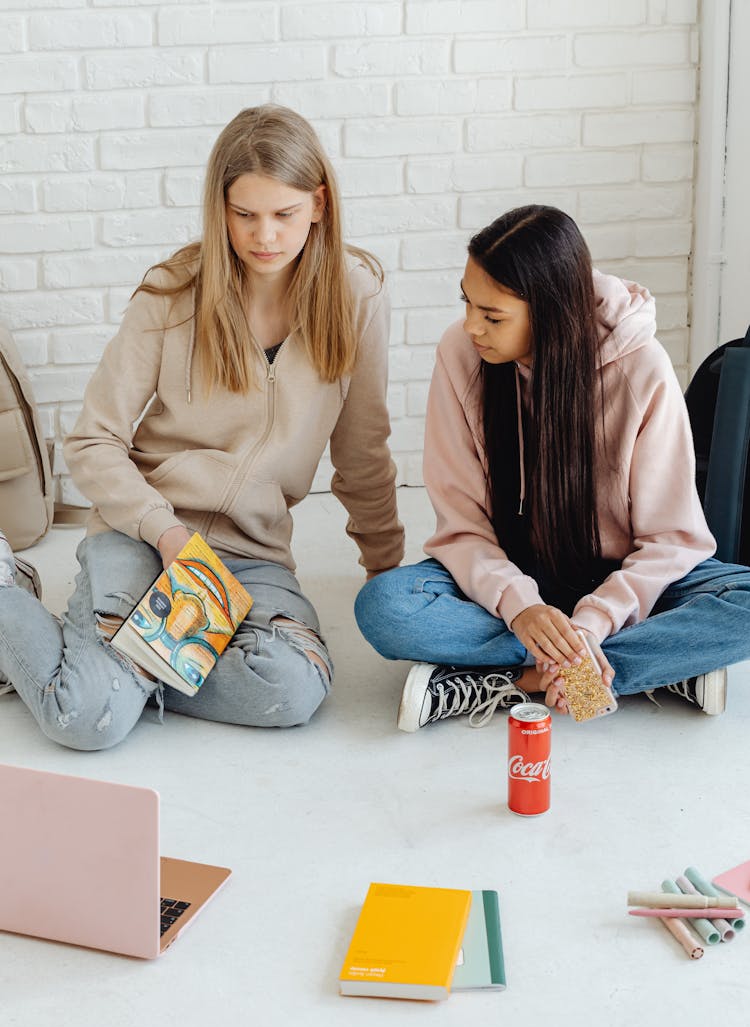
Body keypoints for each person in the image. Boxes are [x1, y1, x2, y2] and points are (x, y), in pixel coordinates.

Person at [0, 104, 403, 750]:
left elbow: (362, 455)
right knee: (84, 718)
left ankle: (116, 666)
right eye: (243, 215)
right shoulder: (171, 294)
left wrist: (387, 574)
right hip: (145, 535)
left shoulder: (357, 299)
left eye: (283, 214)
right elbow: (91, 440)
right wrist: (163, 532)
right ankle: (10, 596)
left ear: (319, 204)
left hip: (251, 557)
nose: (263, 235)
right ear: (220, 208)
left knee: (294, 687)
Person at [354, 204, 750, 731]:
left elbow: (671, 540)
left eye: (494, 316)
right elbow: (463, 529)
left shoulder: (642, 368)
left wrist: (592, 622)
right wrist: (520, 607)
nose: (472, 326)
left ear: (551, 312)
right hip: (509, 577)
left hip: (620, 579)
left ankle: (506, 679)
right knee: (385, 606)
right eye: (468, 302)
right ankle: (650, 669)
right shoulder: (461, 354)